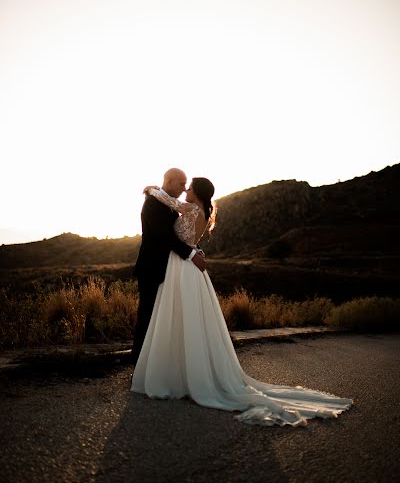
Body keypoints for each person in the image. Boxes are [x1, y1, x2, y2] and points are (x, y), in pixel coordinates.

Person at [131, 176, 353, 427]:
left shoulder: (192, 208)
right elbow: (184, 232)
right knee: (186, 316)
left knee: (180, 315)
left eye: (189, 187)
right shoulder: (203, 210)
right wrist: (192, 248)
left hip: (183, 267)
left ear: (199, 193)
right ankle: (183, 368)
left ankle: (178, 370)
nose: (185, 190)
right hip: (183, 267)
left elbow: (169, 206)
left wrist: (152, 190)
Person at [131, 168, 206, 366]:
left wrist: (195, 249)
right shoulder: (153, 203)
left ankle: (161, 365)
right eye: (181, 184)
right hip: (152, 268)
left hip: (171, 269)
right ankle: (139, 365)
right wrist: (190, 254)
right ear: (170, 181)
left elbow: (183, 234)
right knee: (147, 316)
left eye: (186, 185)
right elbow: (165, 236)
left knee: (165, 319)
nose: (184, 189)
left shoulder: (169, 203)